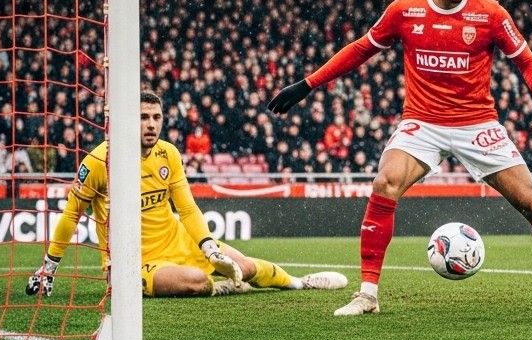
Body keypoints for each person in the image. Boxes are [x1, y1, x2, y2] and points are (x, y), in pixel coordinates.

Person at [268, 0, 532, 316]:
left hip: (477, 123)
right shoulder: (406, 9)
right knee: (385, 183)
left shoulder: (490, 13)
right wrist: (307, 85)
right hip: (422, 121)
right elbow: (361, 48)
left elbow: (527, 60)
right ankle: (367, 295)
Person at [25, 91, 348, 298]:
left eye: (156, 117)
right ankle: (220, 287)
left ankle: (298, 282)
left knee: (244, 266)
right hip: (132, 261)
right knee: (198, 282)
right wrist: (48, 268)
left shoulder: (168, 154)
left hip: (178, 241)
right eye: (143, 118)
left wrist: (208, 247)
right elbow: (71, 215)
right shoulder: (99, 162)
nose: (151, 125)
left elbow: (188, 209)